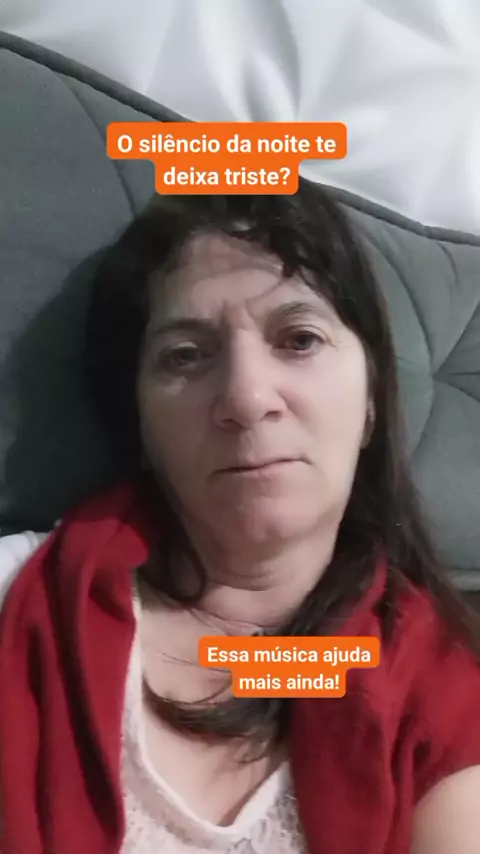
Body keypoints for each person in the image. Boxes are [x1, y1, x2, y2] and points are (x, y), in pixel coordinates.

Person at [1, 180, 480, 854]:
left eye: (299, 339)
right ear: (141, 425)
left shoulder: (445, 694)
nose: (248, 398)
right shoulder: (16, 594)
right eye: (186, 356)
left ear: (372, 398)